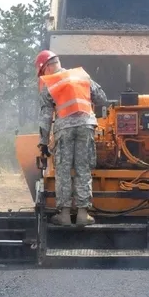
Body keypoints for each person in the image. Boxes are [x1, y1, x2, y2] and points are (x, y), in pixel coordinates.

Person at [35, 50, 108, 227]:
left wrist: (43, 142)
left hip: (64, 130)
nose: (43, 76)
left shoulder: (50, 83)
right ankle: (83, 215)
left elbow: (46, 117)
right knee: (83, 168)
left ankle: (65, 216)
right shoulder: (81, 75)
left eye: (41, 72)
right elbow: (102, 98)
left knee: (63, 170)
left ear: (46, 67)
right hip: (86, 127)